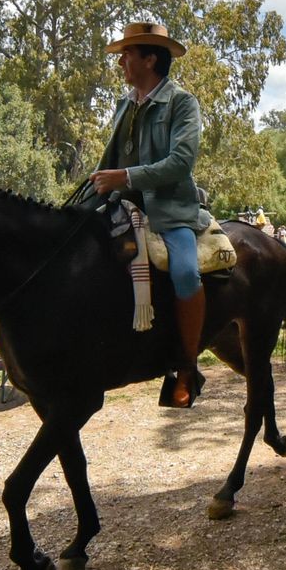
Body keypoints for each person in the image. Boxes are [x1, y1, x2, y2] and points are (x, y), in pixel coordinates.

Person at [79, 21, 210, 407]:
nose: (121, 63)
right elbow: (110, 161)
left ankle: (186, 368)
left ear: (150, 58)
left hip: (171, 211)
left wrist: (127, 176)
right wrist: (90, 193)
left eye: (127, 55)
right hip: (122, 205)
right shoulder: (124, 105)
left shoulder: (182, 103)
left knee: (186, 273)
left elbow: (180, 163)